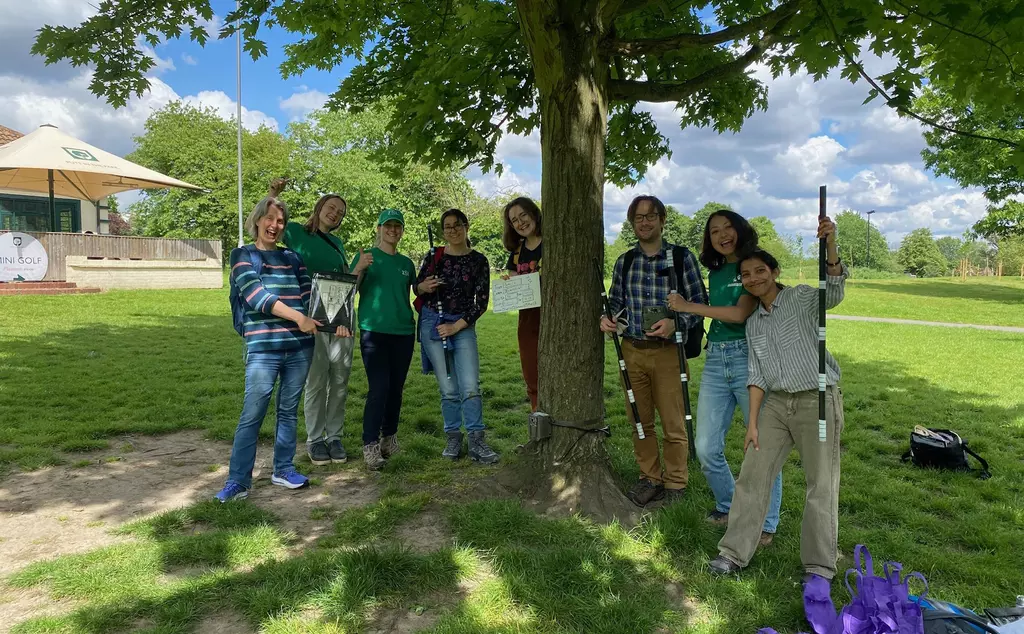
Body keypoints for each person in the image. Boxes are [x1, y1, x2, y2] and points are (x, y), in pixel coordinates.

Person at [709, 215, 847, 580]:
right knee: (752, 476)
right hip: (774, 404)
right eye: (746, 275)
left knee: (821, 483)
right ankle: (733, 553)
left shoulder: (800, 297)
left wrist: (830, 244)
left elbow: (833, 291)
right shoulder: (754, 322)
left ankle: (819, 566)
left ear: (773, 271)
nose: (753, 279)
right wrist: (752, 423)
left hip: (816, 402)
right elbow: (756, 375)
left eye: (759, 271)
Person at [667, 209, 783, 547]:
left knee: (761, 447)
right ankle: (729, 505)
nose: (721, 235)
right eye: (714, 230)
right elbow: (720, 315)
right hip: (716, 358)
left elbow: (739, 314)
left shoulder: (751, 267)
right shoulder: (715, 272)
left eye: (727, 227)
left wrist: (688, 307)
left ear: (740, 230)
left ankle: (766, 522)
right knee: (705, 446)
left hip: (750, 359)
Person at [600, 195, 709, 507]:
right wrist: (606, 318)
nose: (644, 223)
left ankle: (676, 482)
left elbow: (699, 303)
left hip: (668, 354)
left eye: (650, 216)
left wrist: (676, 323)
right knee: (639, 420)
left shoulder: (680, 258)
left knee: (674, 423)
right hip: (632, 350)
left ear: (662, 220)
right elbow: (616, 302)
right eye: (638, 218)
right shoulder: (625, 261)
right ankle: (650, 478)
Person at [216, 197, 319, 503]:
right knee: (253, 412)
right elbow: (255, 296)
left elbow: (308, 294)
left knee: (288, 411)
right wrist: (299, 316)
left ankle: (283, 469)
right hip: (263, 348)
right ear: (258, 220)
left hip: (299, 347)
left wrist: (332, 319)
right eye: (270, 219)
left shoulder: (292, 257)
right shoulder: (242, 255)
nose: (275, 226)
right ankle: (238, 480)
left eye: (281, 221)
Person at [271, 178, 374, 467]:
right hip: (310, 320)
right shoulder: (295, 233)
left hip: (340, 322)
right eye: (331, 207)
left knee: (339, 382)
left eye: (340, 212)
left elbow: (346, 285)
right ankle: (316, 440)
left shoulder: (338, 244)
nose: (335, 214)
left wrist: (359, 268)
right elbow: (267, 222)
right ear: (319, 208)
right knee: (316, 381)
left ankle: (335, 437)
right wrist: (273, 193)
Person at [415, 208, 499, 463]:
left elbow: (481, 302)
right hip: (433, 322)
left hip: (462, 326)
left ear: (466, 227)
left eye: (457, 225)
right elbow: (417, 287)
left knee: (470, 385)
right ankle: (453, 436)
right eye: (448, 226)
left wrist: (457, 326)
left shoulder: (478, 261)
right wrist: (423, 287)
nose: (452, 230)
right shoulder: (433, 257)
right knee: (448, 388)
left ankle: (476, 439)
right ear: (443, 231)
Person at [354, 209, 417, 471]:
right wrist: (358, 269)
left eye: (398, 226)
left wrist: (424, 287)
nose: (393, 230)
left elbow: (417, 289)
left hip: (403, 332)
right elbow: (350, 288)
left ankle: (389, 438)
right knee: (379, 388)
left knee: (395, 389)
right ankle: (370, 444)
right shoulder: (367, 257)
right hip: (374, 332)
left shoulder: (406, 264)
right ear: (378, 228)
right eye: (388, 225)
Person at [501, 197, 542, 412]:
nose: (520, 223)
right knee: (532, 374)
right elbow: (514, 283)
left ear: (534, 213)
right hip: (528, 321)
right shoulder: (517, 252)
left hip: (555, 317)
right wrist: (508, 285)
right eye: (514, 220)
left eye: (523, 215)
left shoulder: (552, 243)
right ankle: (538, 420)